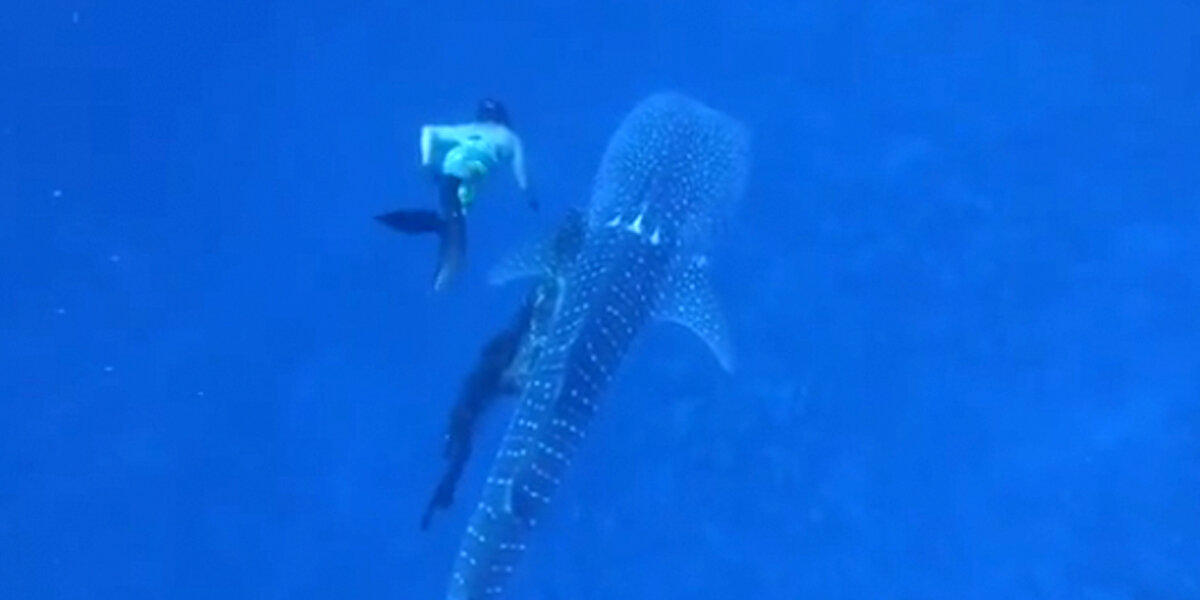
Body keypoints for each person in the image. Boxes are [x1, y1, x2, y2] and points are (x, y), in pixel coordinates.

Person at [376, 98, 537, 291]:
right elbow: (522, 175)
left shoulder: (468, 129)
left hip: (450, 175)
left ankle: (412, 222)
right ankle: (437, 286)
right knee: (456, 248)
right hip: (466, 176)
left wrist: (426, 162)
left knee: (451, 220)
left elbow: (428, 131)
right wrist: (529, 197)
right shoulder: (509, 137)